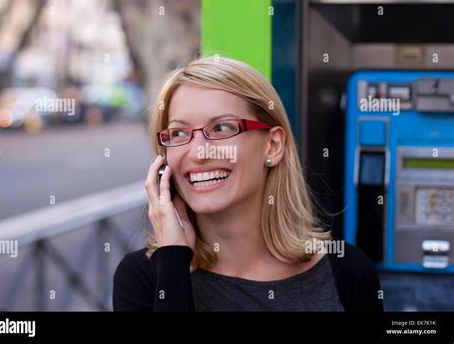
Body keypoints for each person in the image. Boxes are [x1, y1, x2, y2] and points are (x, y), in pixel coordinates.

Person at [113, 56, 383, 312]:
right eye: (180, 133)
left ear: (273, 145)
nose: (198, 153)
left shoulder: (348, 272)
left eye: (221, 128)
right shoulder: (144, 278)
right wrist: (173, 261)